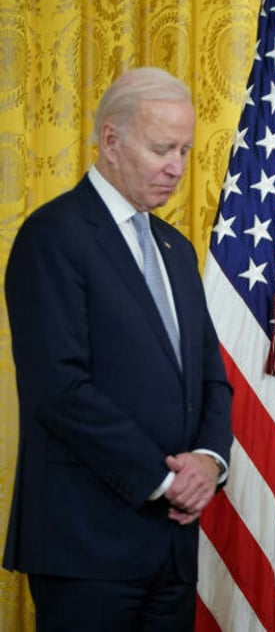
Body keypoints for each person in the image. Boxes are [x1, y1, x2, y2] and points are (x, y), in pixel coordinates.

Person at [3, 67, 233, 631]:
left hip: (171, 548)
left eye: (184, 149)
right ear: (111, 141)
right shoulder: (52, 235)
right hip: (86, 546)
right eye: (161, 148)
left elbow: (209, 376)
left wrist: (208, 460)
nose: (177, 167)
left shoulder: (176, 250)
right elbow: (58, 389)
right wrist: (165, 479)